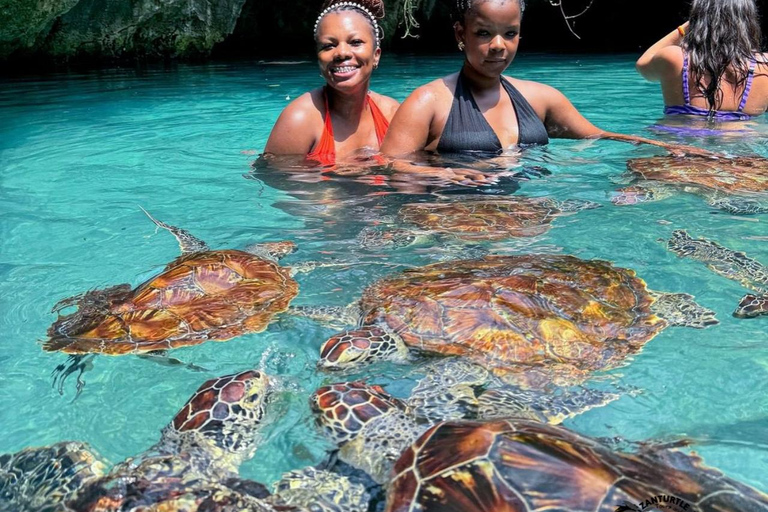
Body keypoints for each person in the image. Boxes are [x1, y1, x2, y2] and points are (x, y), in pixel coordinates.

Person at [381, 0, 714, 158]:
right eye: (484, 34)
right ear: (460, 33)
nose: (498, 46)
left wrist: (665, 146)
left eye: (509, 34)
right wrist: (445, 182)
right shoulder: (429, 101)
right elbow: (392, 167)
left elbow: (597, 135)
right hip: (458, 224)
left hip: (529, 222)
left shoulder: (541, 98)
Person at [264, 0, 399, 165]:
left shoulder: (392, 115)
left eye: (355, 42)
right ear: (318, 58)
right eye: (328, 46)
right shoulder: (299, 120)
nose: (342, 53)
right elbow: (276, 179)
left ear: (376, 55)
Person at [636, 0, 767, 121]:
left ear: (697, 20)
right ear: (749, 21)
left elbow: (642, 65)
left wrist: (685, 28)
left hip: (678, 141)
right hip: (744, 142)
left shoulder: (674, 57)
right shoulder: (764, 66)